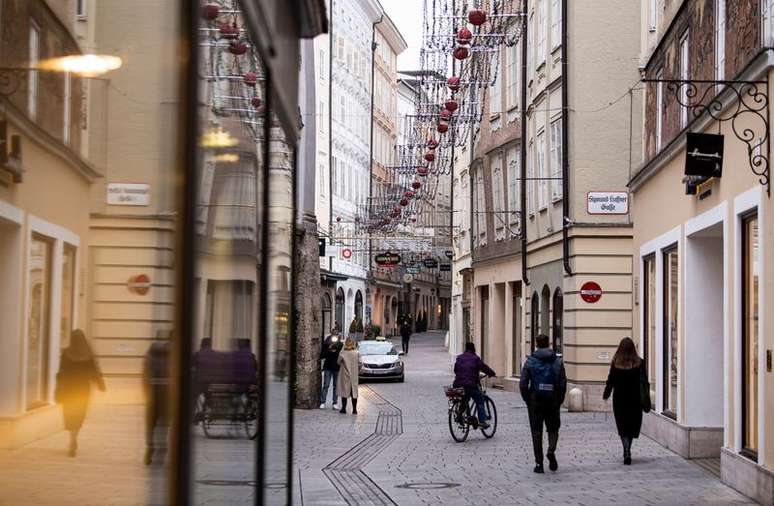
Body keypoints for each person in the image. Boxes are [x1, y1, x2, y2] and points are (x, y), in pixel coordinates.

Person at [54, 329, 106, 457]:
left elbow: (61, 372)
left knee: (70, 414)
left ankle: (72, 438)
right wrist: (100, 384)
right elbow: (94, 372)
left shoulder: (66, 353)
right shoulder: (88, 354)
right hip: (83, 390)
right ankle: (75, 437)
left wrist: (58, 388)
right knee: (79, 414)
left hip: (69, 389)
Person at [520, 334, 567, 474]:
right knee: (553, 429)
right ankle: (551, 450)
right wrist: (559, 400)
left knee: (536, 432)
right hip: (552, 400)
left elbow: (523, 383)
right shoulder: (557, 361)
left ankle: (539, 463)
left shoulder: (530, 361)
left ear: (536, 344)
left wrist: (527, 399)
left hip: (535, 400)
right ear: (549, 343)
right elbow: (563, 382)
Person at [603, 337, 649, 465]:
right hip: (635, 400)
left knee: (622, 425)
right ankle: (628, 448)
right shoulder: (640, 363)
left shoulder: (615, 363)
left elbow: (610, 380)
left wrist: (606, 394)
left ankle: (626, 449)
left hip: (620, 399)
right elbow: (644, 381)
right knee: (632, 425)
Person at [453, 342, 496, 429]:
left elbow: (455, 370)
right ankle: (482, 422)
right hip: (470, 385)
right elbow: (484, 367)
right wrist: (492, 373)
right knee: (480, 400)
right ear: (474, 349)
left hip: (458, 384)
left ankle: (460, 415)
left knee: (464, 397)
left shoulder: (459, 357)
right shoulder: (475, 358)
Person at [143, 341, 170, 465]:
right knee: (164, 422)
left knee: (150, 424)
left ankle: (150, 445)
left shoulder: (149, 356)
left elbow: (145, 375)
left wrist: (146, 392)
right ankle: (163, 444)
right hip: (166, 395)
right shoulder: (171, 356)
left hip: (153, 394)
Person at [319, 328, 343, 409]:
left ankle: (335, 403)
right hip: (328, 367)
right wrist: (328, 348)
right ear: (331, 334)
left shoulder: (340, 344)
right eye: (333, 334)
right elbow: (322, 355)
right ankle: (323, 402)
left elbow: (341, 355)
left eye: (336, 334)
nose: (334, 336)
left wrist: (336, 348)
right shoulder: (326, 343)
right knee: (326, 384)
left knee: (336, 386)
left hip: (336, 367)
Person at [337, 337, 361, 414]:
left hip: (345, 374)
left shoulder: (343, 352)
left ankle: (344, 408)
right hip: (354, 374)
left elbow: (338, 362)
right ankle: (354, 409)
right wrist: (357, 370)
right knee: (354, 392)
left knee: (344, 391)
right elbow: (360, 364)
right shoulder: (357, 353)